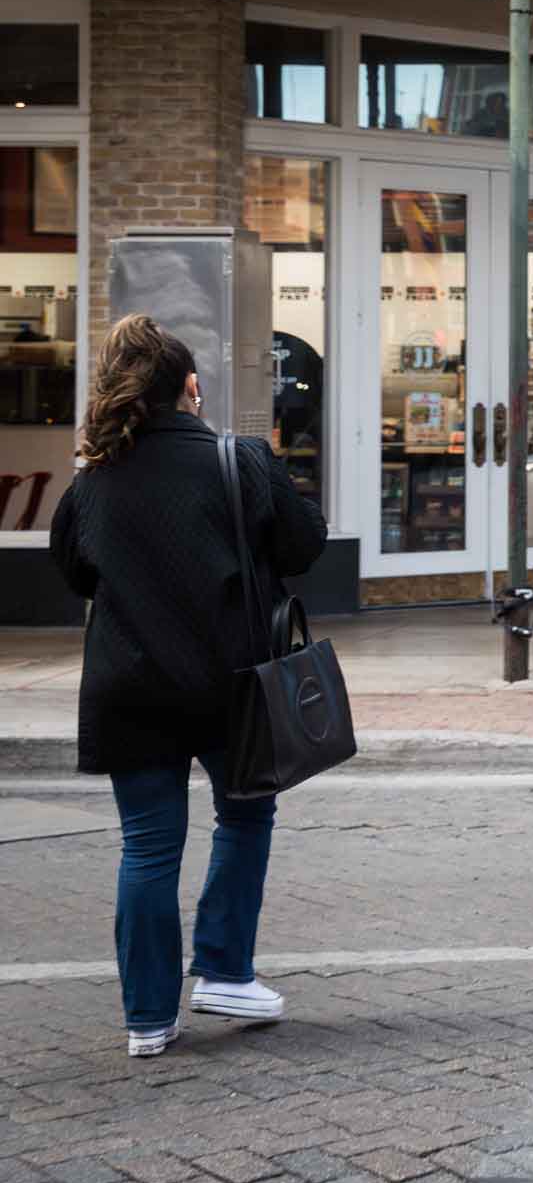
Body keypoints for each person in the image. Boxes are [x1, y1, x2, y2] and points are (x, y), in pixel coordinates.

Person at [49, 314, 327, 1058]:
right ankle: (225, 969)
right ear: (191, 388)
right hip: (227, 686)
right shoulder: (239, 459)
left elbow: (75, 572)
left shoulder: (93, 479)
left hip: (128, 685)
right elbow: (305, 544)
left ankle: (147, 1019)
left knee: (146, 849)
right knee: (243, 818)